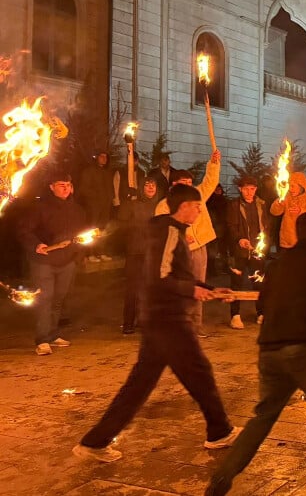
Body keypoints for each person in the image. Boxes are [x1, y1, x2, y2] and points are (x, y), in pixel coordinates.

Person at [204, 212, 306, 496]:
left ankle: (221, 479)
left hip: (270, 350)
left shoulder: (277, 263)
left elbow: (264, 302)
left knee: (262, 418)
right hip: (303, 350)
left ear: (296, 233)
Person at [72, 184, 240, 463]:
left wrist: (210, 289)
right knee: (199, 374)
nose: (199, 211)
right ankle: (219, 431)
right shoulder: (169, 232)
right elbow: (159, 277)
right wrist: (191, 290)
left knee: (140, 385)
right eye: (197, 206)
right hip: (167, 318)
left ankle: (94, 442)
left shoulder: (172, 231)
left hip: (161, 318)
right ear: (184, 207)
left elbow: (177, 274)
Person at [17, 171, 88, 355]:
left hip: (67, 261)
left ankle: (52, 334)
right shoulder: (40, 207)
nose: (66, 189)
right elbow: (24, 230)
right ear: (51, 187)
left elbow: (81, 235)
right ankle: (42, 340)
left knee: (59, 299)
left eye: (68, 185)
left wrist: (79, 254)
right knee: (45, 299)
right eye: (61, 185)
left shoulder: (77, 210)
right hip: (44, 261)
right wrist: (36, 244)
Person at [154, 149, 222, 335]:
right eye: (185, 184)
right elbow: (162, 230)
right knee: (181, 288)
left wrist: (214, 163)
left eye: (191, 184)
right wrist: (182, 238)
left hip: (199, 247)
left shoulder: (198, 195)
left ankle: (196, 325)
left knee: (199, 285)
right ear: (174, 185)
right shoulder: (164, 205)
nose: (189, 188)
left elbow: (210, 181)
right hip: (178, 252)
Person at [226, 176, 269, 329]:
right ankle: (235, 315)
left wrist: (263, 245)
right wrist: (239, 239)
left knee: (259, 281)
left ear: (256, 189)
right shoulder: (234, 205)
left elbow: (266, 226)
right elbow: (231, 226)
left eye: (252, 189)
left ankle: (261, 313)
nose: (249, 192)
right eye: (246, 189)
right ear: (240, 189)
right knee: (236, 282)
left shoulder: (261, 204)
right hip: (239, 251)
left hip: (257, 250)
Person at [118, 176, 159, 334]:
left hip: (153, 253)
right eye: (147, 185)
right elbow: (122, 224)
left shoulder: (160, 206)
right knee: (133, 289)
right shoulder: (133, 205)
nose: (150, 187)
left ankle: (144, 320)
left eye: (153, 185)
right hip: (136, 252)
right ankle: (128, 322)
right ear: (142, 188)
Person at [78, 151, 115, 262]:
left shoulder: (107, 172)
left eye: (106, 157)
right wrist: (96, 197)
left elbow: (111, 187)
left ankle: (100, 252)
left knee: (103, 229)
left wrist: (111, 197)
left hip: (105, 206)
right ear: (96, 157)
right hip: (93, 206)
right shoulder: (89, 171)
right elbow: (83, 189)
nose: (104, 159)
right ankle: (90, 253)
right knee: (92, 229)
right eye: (101, 156)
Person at [270, 172, 306, 250]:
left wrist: (301, 211)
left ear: (301, 186)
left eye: (293, 186)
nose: (290, 189)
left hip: (305, 242)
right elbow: (274, 212)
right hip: (287, 241)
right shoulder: (286, 197)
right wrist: (279, 202)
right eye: (289, 186)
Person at [206, 184, 228, 277]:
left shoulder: (224, 201)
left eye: (219, 189)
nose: (218, 191)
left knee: (223, 250)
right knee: (212, 251)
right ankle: (211, 270)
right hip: (212, 229)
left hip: (223, 229)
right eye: (216, 189)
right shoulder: (209, 202)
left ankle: (225, 267)